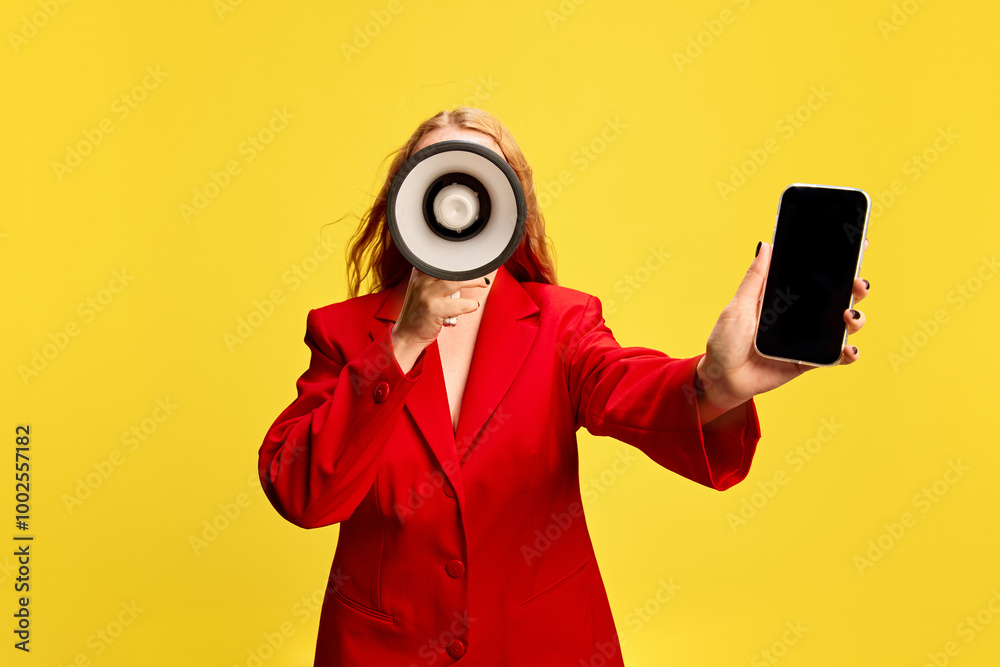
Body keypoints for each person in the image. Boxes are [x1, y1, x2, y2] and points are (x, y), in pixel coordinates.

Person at [257, 107, 870, 667]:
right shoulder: (342, 333)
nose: (457, 199)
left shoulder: (560, 323)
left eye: (480, 178)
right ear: (407, 203)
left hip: (543, 646)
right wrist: (401, 344)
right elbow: (303, 492)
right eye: (439, 176)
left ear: (509, 204)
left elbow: (626, 388)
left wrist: (714, 382)